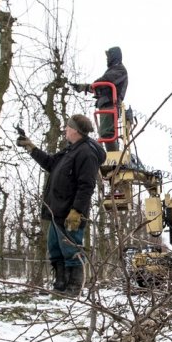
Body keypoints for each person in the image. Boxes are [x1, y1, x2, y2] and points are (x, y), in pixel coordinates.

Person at [16, 114, 103, 296]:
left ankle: (74, 288)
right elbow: (50, 163)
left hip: (71, 213)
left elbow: (86, 186)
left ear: (76, 131)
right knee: (56, 249)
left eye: (68, 127)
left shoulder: (87, 153)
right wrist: (30, 147)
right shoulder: (70, 150)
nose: (65, 130)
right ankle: (60, 285)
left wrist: (77, 211)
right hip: (56, 210)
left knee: (71, 249)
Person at [74, 47, 128, 152]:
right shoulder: (113, 69)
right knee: (105, 133)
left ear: (114, 56)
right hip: (106, 104)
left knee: (107, 133)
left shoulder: (120, 70)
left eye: (108, 56)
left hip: (111, 104)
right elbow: (100, 86)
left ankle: (113, 158)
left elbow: (105, 81)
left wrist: (94, 85)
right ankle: (110, 156)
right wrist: (84, 87)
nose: (107, 59)